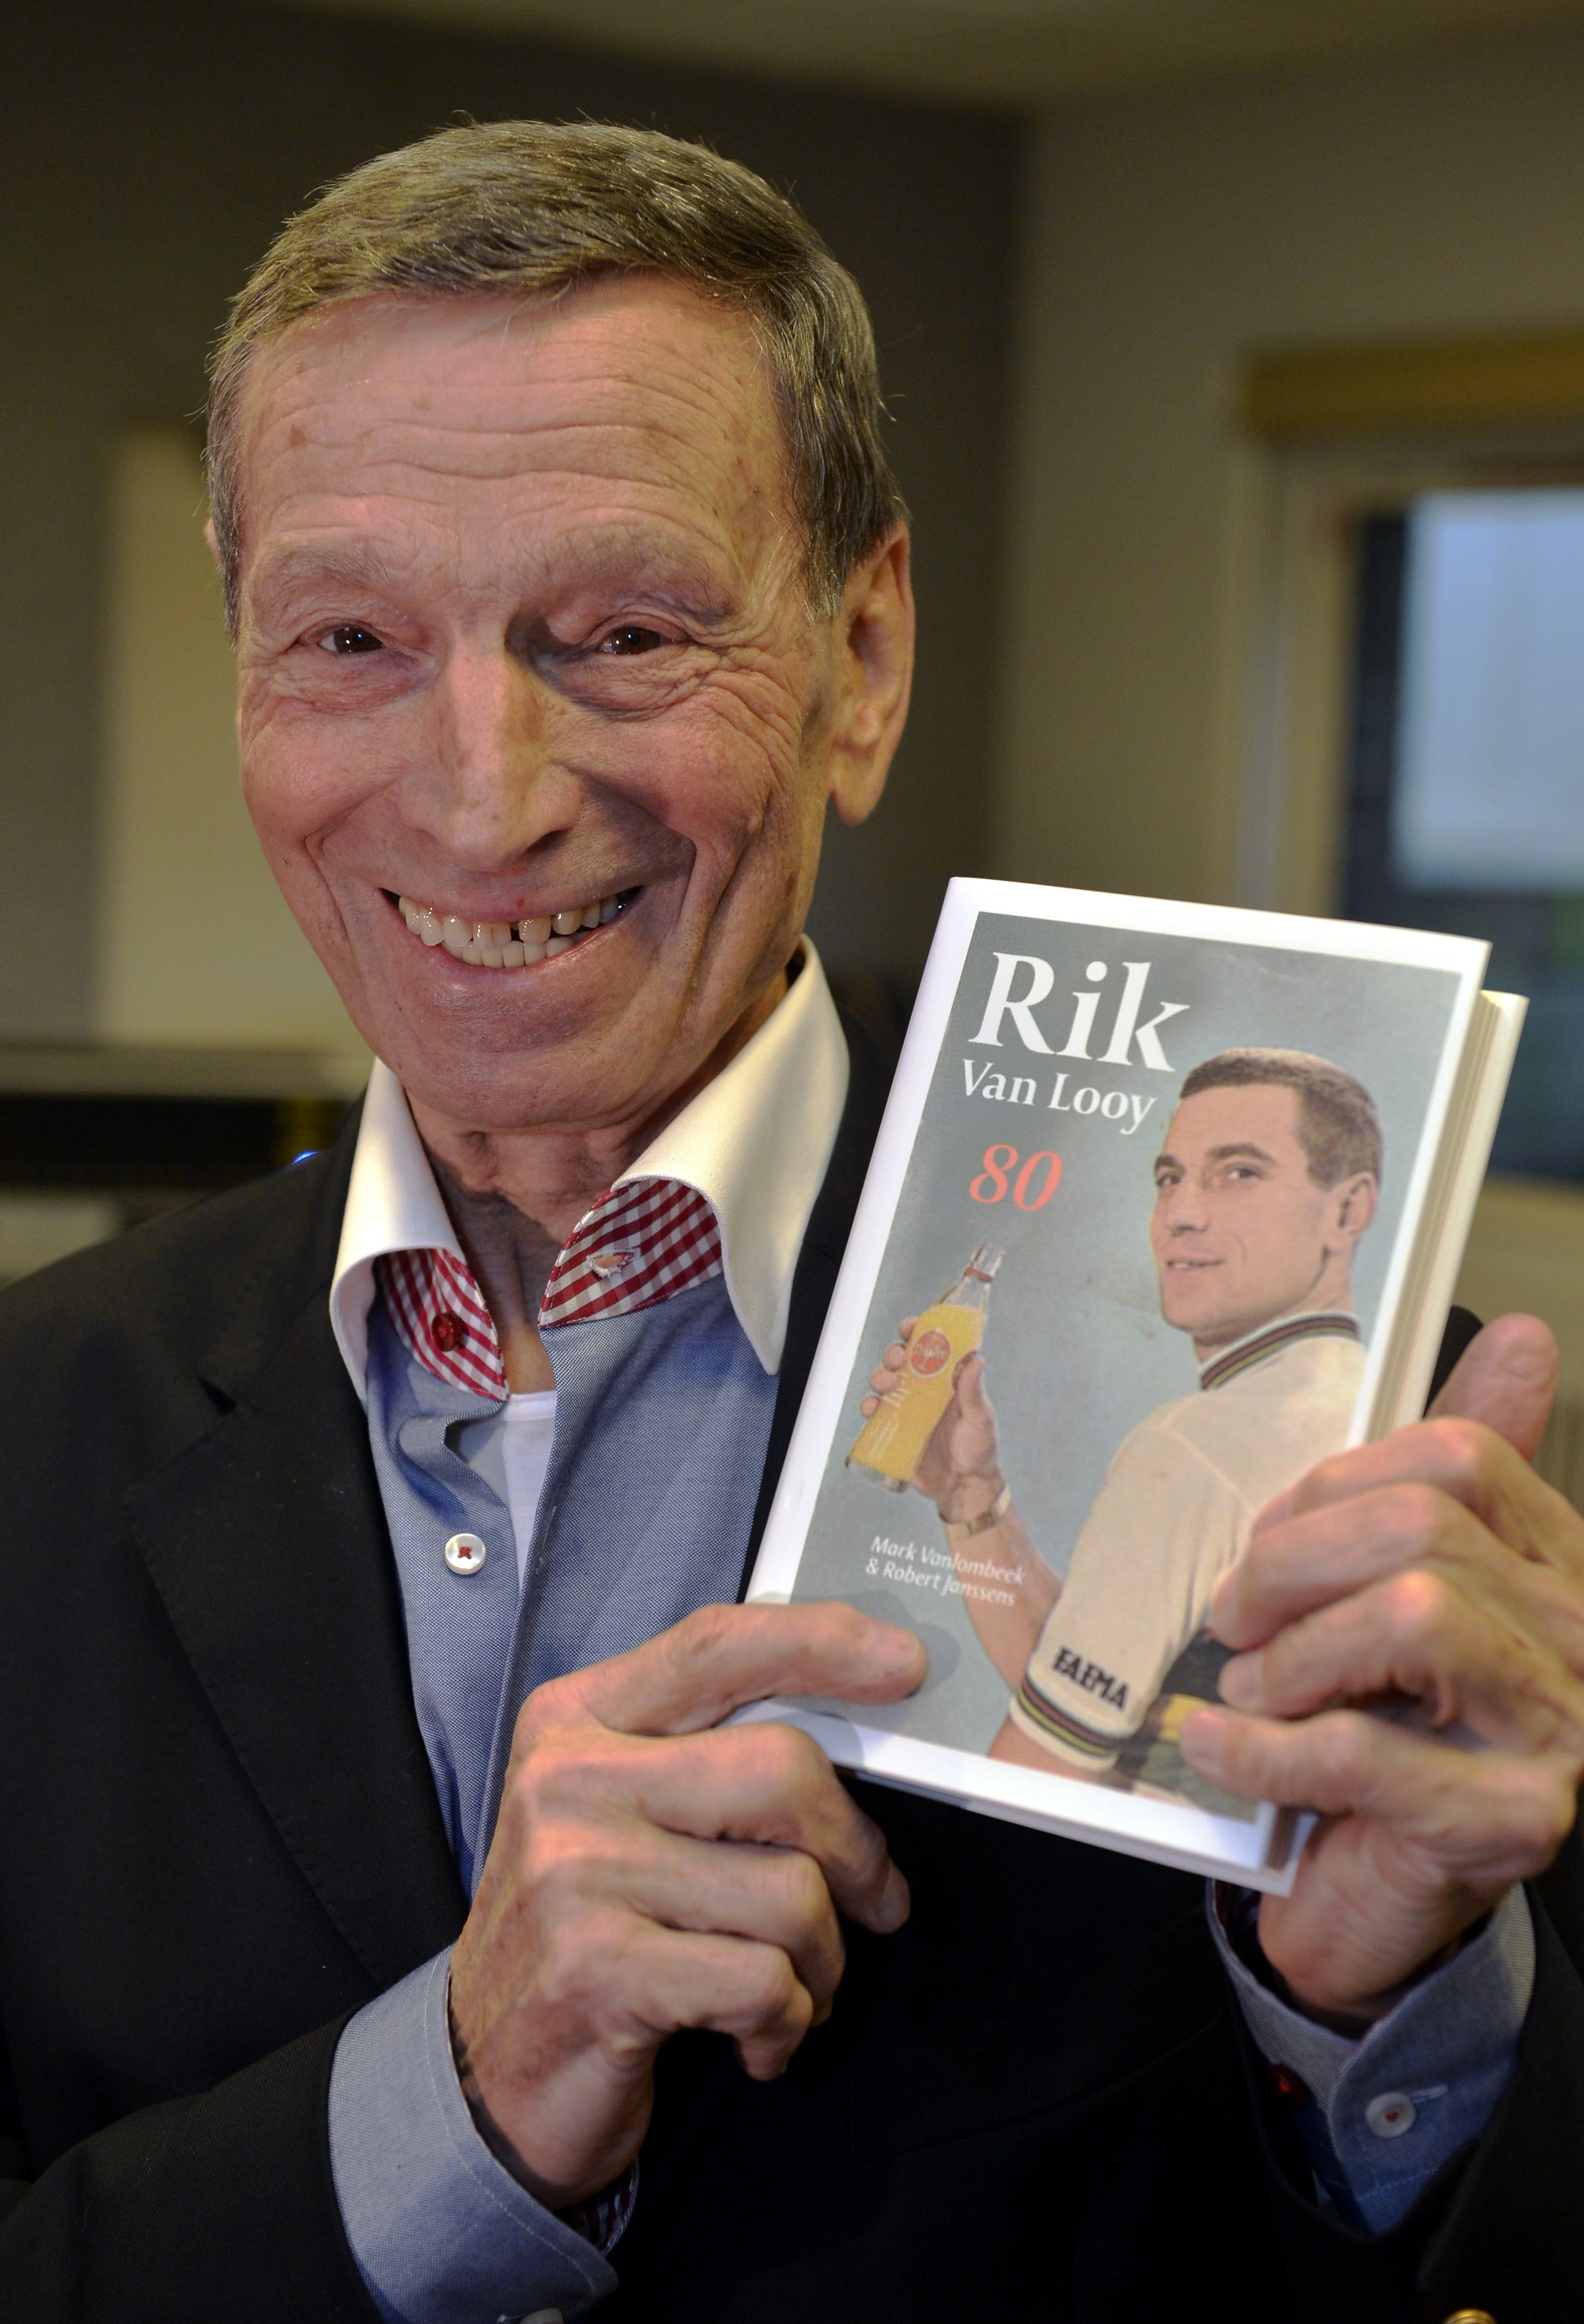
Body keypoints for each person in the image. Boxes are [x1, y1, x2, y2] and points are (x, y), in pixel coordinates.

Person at [1, 120, 1582, 2324]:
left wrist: (1399, 2015)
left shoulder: (1375, 1477)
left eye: (630, 630)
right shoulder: (23, 1429)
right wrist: (449, 2097)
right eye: (349, 634)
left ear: (862, 654)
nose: (483, 793)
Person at [865, 1047, 1383, 1797]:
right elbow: (1102, 1715)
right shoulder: (1349, 1396)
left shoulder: (1201, 1444)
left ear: (1348, 1208)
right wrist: (970, 1495)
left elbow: (1039, 1780)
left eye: (1239, 1172)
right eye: (1169, 1178)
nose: (1182, 1213)